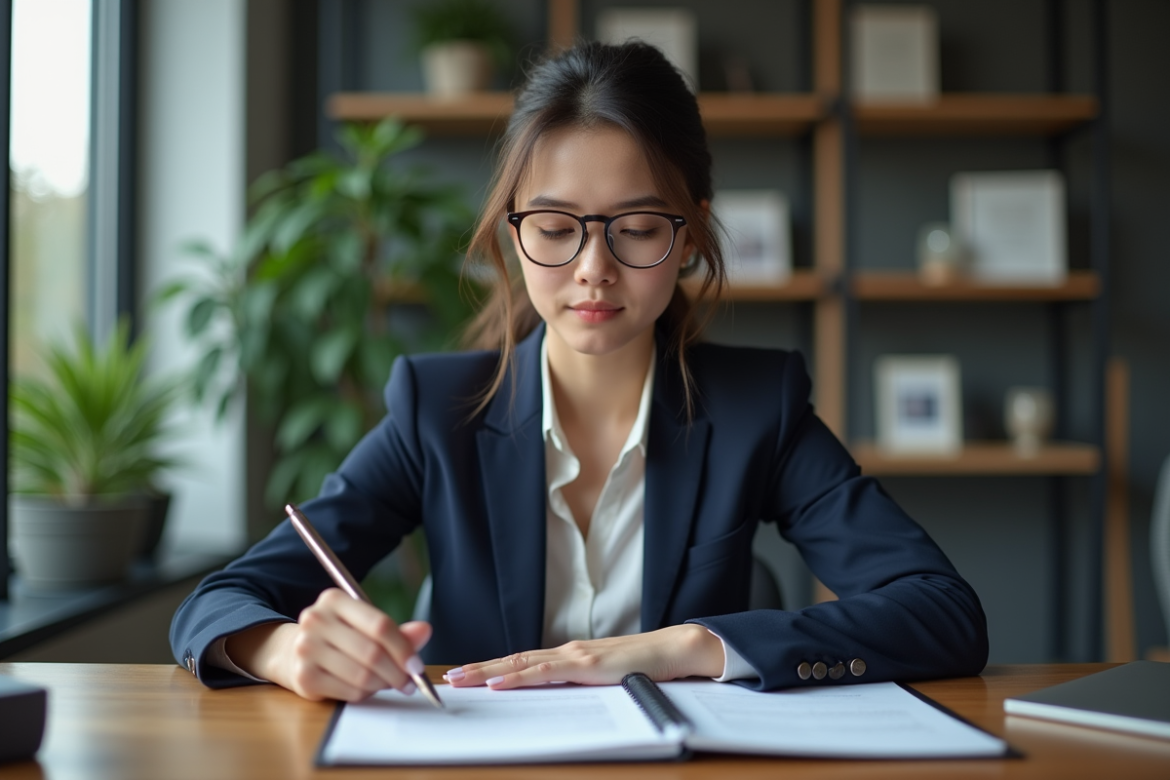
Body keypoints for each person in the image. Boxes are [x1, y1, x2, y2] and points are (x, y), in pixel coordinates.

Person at [170, 41, 988, 702]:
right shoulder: (438, 410)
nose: (594, 268)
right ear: (513, 235)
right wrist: (284, 651)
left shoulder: (756, 408)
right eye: (557, 227)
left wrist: (685, 648)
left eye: (637, 227)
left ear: (690, 236)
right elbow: (216, 605)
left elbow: (943, 612)